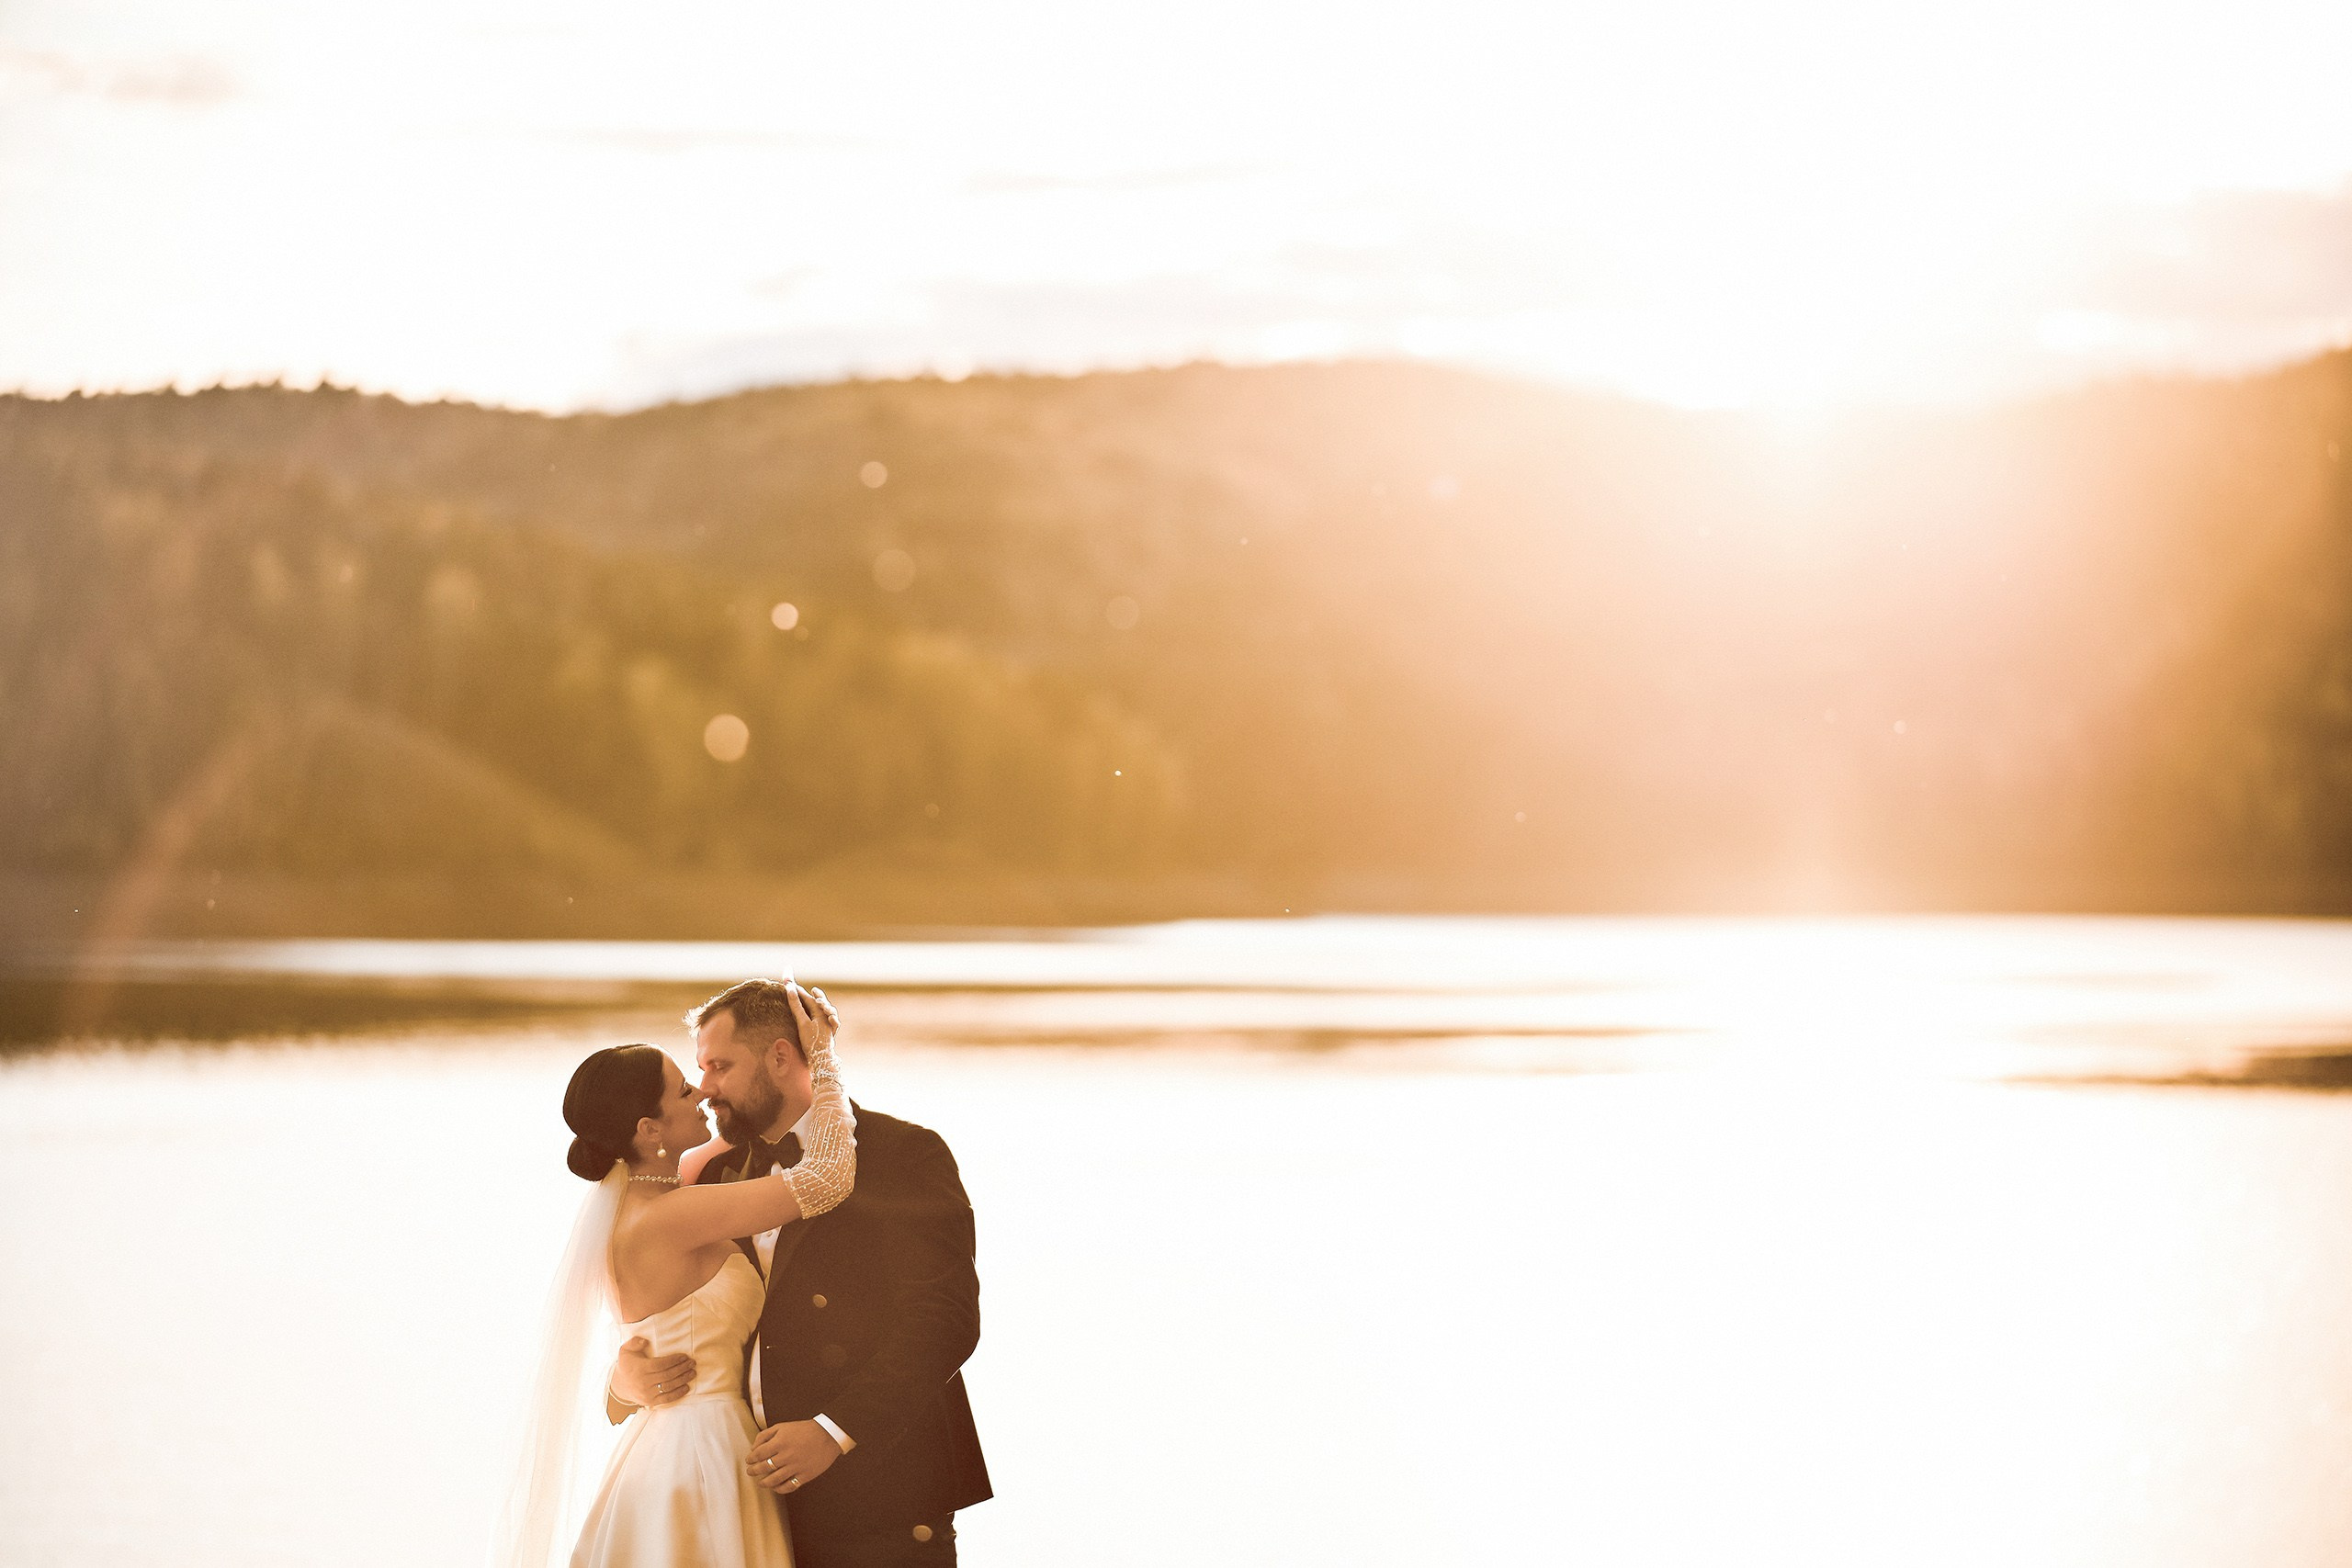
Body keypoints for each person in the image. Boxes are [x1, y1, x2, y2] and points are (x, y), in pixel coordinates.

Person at [608, 979, 990, 1568]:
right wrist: (623, 1384)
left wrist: (834, 1431)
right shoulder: (716, 1175)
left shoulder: (903, 1153)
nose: (705, 1089)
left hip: (877, 1498)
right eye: (699, 1071)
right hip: (740, 1499)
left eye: (719, 1067)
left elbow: (944, 1321)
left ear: (781, 1057)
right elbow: (679, 1321)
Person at [492, 981, 855, 1568]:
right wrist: (826, 1064)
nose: (703, 1094)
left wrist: (621, 1383)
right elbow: (828, 1179)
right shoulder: (671, 1216)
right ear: (649, 1130)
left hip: (662, 1449)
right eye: (685, 1089)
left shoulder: (642, 1207)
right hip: (702, 1456)